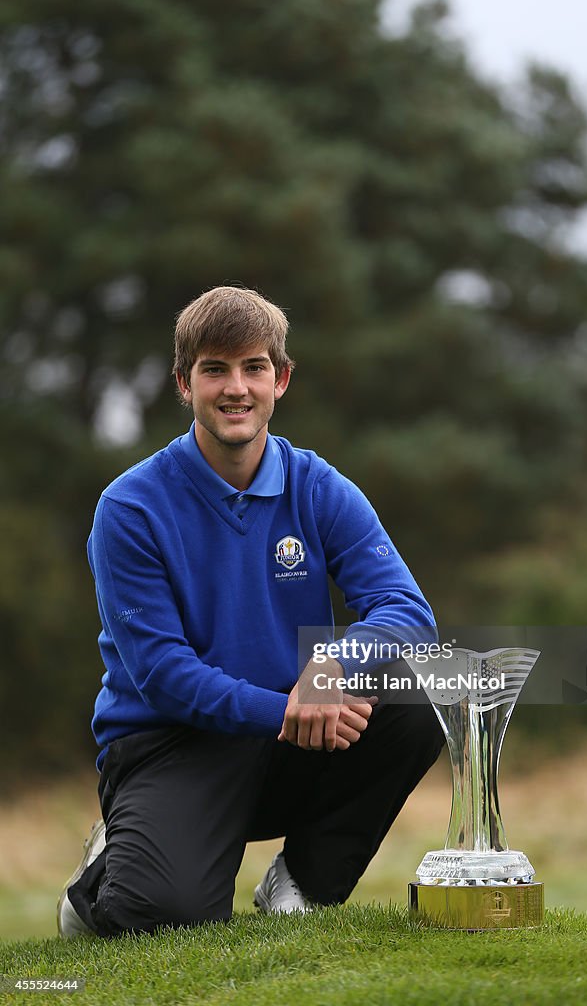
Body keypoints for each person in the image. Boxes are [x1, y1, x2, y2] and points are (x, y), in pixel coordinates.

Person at [57, 285, 444, 937]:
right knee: (159, 917)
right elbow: (162, 673)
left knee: (419, 686)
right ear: (184, 384)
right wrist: (286, 709)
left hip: (290, 737)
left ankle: (301, 886)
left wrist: (328, 668)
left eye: (253, 367)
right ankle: (106, 869)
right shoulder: (129, 508)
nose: (236, 388)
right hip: (171, 746)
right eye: (215, 369)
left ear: (281, 379)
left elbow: (407, 610)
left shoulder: (319, 487)